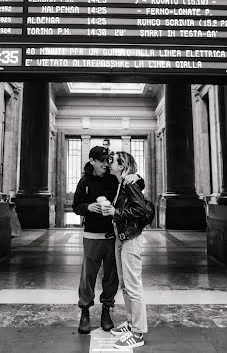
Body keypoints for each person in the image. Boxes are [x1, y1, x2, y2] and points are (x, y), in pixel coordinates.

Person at [72, 146, 144, 335]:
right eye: (102, 160)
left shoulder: (114, 179)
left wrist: (138, 178)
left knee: (111, 277)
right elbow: (76, 206)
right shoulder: (84, 181)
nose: (106, 164)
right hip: (91, 236)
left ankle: (107, 311)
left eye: (108, 160)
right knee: (88, 275)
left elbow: (132, 186)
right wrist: (89, 207)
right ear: (92, 161)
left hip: (112, 236)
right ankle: (85, 311)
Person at [104, 151, 148, 349]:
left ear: (122, 166)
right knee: (125, 285)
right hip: (121, 238)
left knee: (133, 287)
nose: (109, 163)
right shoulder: (123, 183)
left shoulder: (130, 183)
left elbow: (141, 210)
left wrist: (117, 212)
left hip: (131, 239)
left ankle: (138, 332)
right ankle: (131, 324)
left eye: (112, 161)